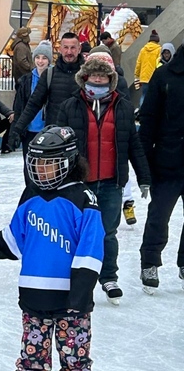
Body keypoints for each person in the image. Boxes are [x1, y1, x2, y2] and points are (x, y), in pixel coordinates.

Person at [0, 126, 105, 371]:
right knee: (32, 355)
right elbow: (13, 241)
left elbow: (91, 248)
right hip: (34, 297)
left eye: (48, 163)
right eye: (36, 163)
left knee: (75, 354)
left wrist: (81, 293)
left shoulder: (83, 198)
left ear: (69, 161)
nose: (41, 170)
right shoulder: (30, 196)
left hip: (72, 300)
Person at [56, 51, 151, 304]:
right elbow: (57, 144)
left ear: (110, 78)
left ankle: (109, 277)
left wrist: (144, 176)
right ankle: (73, 277)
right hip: (79, 184)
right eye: (93, 75)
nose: (97, 81)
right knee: (75, 233)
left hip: (111, 182)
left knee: (108, 233)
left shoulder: (123, 107)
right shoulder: (69, 106)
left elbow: (133, 144)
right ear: (84, 77)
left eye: (102, 76)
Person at [138, 42, 184, 293]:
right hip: (167, 161)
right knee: (159, 216)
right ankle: (150, 262)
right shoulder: (165, 75)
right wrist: (145, 164)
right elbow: (147, 120)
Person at [9, 32, 84, 146]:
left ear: (79, 49)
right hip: (55, 136)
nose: (69, 52)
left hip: (80, 136)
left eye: (73, 48)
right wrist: (17, 129)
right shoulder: (50, 74)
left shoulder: (87, 75)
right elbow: (33, 104)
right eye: (66, 47)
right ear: (60, 49)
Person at [13, 40, 52, 176]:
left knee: (46, 167)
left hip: (47, 130)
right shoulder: (26, 80)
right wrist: (16, 129)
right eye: (37, 57)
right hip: (29, 130)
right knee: (29, 166)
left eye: (44, 58)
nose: (40, 61)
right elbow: (19, 106)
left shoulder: (53, 78)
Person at [134, 29, 161, 107]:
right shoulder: (159, 49)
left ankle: (141, 111)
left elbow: (138, 63)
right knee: (154, 97)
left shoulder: (143, 50)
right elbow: (159, 63)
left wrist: (136, 75)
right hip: (154, 77)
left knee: (144, 95)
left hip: (144, 77)